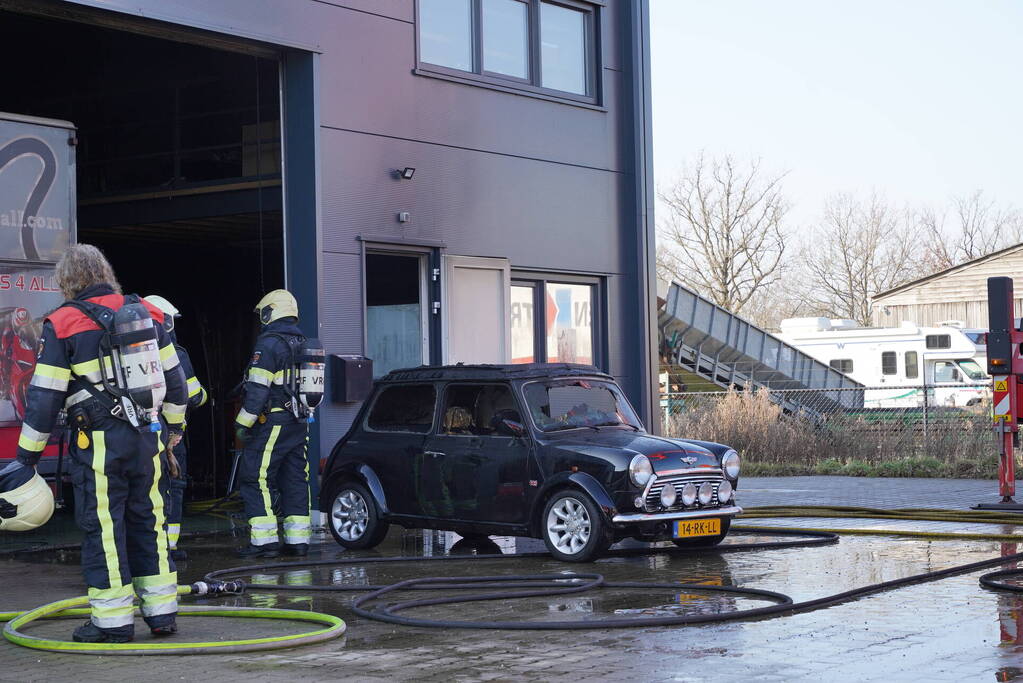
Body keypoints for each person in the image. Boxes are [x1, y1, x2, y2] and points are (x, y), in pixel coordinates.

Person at [13, 244, 188, 643]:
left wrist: (27, 458)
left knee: (105, 528)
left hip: (100, 444)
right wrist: (173, 432)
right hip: (150, 438)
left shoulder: (64, 322)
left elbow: (44, 397)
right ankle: (162, 617)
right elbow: (175, 383)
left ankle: (112, 623)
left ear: (67, 281)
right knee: (149, 522)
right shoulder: (148, 313)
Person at [235, 289, 311, 558]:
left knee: (255, 477)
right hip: (299, 421)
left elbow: (257, 390)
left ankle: (264, 543)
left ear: (271, 311)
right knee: (294, 477)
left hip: (274, 421)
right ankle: (298, 541)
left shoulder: (269, 344)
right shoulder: (304, 342)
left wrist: (243, 423)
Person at [144, 295, 209, 561]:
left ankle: (149, 543)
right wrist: (204, 394)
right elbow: (194, 396)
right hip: (172, 436)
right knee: (173, 485)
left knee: (146, 487)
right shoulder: (176, 354)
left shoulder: (129, 354)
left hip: (141, 434)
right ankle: (169, 546)